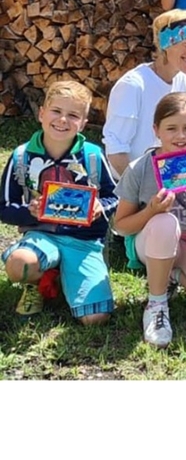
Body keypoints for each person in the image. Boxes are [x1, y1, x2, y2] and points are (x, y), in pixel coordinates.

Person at [113, 93, 186, 348]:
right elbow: (120, 225)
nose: (180, 136)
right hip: (152, 241)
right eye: (171, 128)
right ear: (156, 130)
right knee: (165, 222)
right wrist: (151, 211)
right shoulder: (139, 169)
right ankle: (156, 304)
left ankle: (175, 273)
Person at [1, 80, 117, 323]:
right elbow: (3, 208)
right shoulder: (22, 156)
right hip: (41, 236)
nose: (63, 120)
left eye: (73, 115)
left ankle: (62, 273)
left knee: (96, 318)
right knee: (19, 265)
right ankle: (35, 284)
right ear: (41, 113)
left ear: (84, 123)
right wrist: (29, 212)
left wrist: (100, 207)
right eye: (56, 111)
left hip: (83, 241)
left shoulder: (93, 156)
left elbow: (114, 196)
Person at [103, 9, 186, 177]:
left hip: (169, 177)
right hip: (133, 183)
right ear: (167, 44)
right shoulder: (133, 85)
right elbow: (116, 150)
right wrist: (139, 190)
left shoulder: (180, 79)